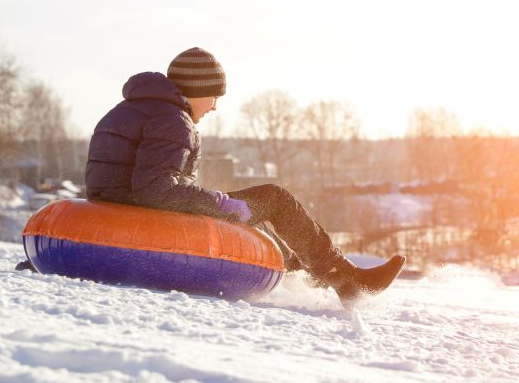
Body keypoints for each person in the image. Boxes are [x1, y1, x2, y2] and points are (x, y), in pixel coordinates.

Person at [27, 47, 405, 307]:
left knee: (255, 208)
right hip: (148, 212)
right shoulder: (172, 122)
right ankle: (346, 281)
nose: (215, 106)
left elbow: (131, 181)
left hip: (116, 208)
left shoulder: (129, 110)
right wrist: (220, 204)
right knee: (273, 199)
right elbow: (155, 189)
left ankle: (299, 270)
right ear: (195, 91)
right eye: (213, 96)